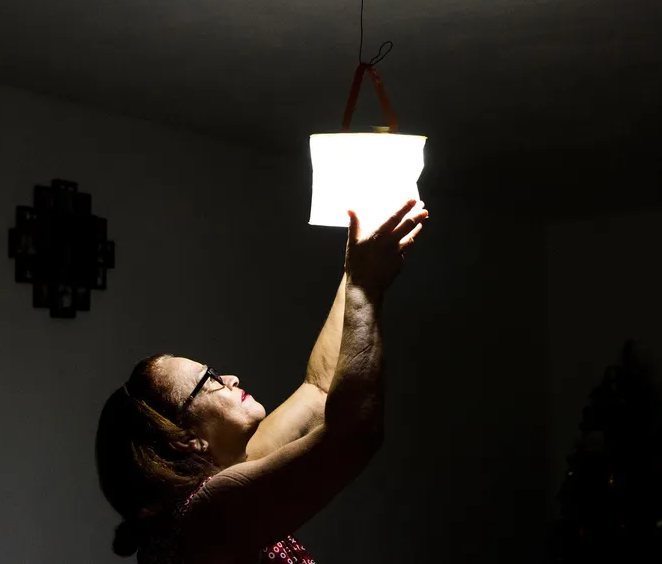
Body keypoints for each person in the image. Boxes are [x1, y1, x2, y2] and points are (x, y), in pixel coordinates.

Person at [95, 198, 430, 563]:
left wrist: (354, 270)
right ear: (188, 439)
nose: (230, 378)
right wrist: (365, 289)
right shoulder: (204, 513)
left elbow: (318, 390)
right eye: (209, 378)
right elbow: (354, 433)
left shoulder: (221, 476)